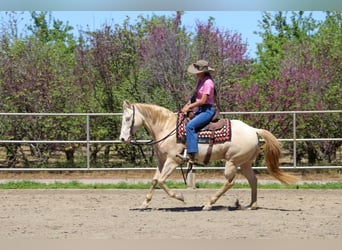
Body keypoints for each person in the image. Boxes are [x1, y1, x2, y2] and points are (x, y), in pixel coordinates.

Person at [181, 59, 216, 162]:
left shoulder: (208, 83)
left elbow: (204, 100)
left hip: (207, 110)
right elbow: (195, 96)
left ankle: (192, 154)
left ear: (202, 71)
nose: (196, 74)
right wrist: (186, 105)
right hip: (201, 109)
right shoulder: (201, 81)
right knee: (184, 121)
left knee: (190, 126)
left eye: (197, 72)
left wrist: (190, 106)